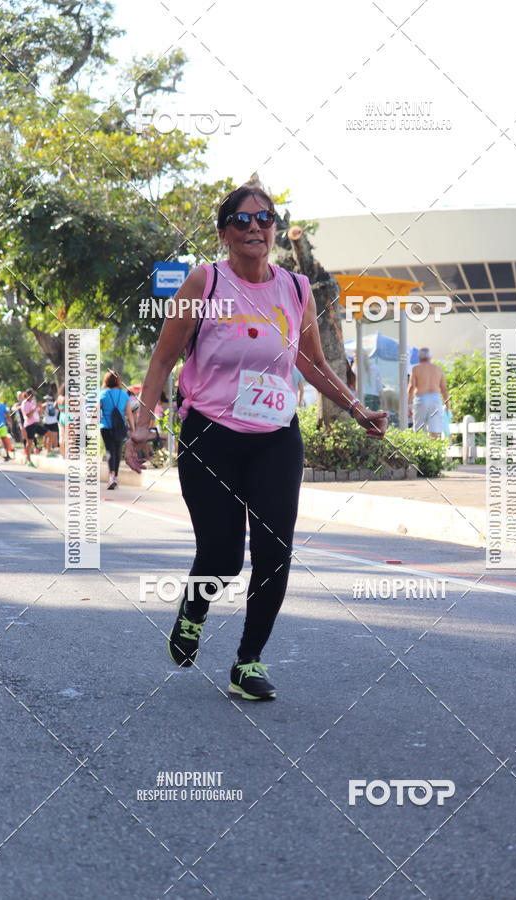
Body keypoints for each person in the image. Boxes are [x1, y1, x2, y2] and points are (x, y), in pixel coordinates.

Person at [125, 183, 387, 701]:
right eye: (243, 221)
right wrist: (142, 424)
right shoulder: (205, 282)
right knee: (222, 555)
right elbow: (163, 359)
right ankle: (193, 610)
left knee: (274, 552)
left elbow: (309, 361)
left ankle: (248, 661)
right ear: (224, 233)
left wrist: (356, 408)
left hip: (275, 438)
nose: (255, 228)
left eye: (265, 219)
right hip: (210, 437)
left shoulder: (295, 288)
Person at [99, 371, 135, 489]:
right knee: (118, 451)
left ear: (106, 381)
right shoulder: (124, 395)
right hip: (120, 427)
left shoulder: (102, 394)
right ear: (118, 381)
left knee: (110, 451)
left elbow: (95, 411)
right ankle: (115, 478)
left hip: (105, 427)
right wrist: (133, 429)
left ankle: (112, 476)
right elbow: (129, 413)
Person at [407, 347, 450, 438]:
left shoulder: (416, 369)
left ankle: (420, 450)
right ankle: (433, 451)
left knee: (419, 429)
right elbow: (444, 389)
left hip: (421, 399)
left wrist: (408, 403)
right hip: (435, 399)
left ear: (419, 358)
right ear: (430, 358)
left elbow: (411, 387)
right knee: (434, 429)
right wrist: (447, 404)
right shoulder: (438, 369)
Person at [21, 388, 41, 466]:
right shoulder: (25, 403)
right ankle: (28, 459)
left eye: (33, 395)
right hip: (29, 424)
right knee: (29, 442)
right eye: (31, 394)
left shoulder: (33, 402)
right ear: (27, 395)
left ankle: (48, 451)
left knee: (49, 433)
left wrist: (40, 406)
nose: (32, 396)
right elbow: (28, 415)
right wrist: (35, 407)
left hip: (35, 423)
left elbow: (39, 411)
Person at [0, 393, 13, 461]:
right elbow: (8, 414)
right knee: (4, 441)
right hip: (2, 426)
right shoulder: (3, 405)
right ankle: (7, 455)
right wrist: (10, 423)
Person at [56, 384, 67, 457]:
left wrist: (61, 409)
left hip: (61, 417)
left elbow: (55, 406)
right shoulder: (67, 398)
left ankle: (62, 454)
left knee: (61, 437)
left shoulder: (59, 397)